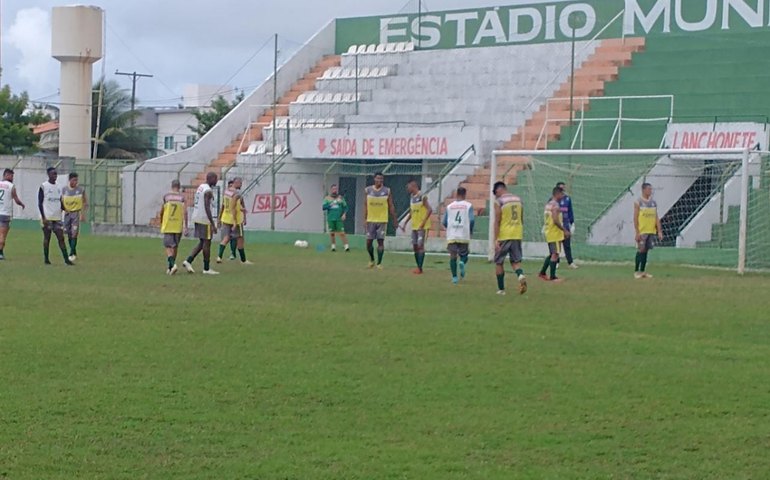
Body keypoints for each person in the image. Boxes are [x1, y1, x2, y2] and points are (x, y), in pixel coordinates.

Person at [493, 181, 527, 295]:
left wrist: (496, 239)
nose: (495, 195)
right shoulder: (519, 200)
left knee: (499, 262)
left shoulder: (499, 201)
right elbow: (522, 218)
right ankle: (520, 275)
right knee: (515, 261)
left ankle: (501, 289)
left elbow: (497, 221)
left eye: (495, 193)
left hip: (505, 234)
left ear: (498, 190)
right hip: (517, 234)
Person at [183, 172, 219, 275]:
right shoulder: (207, 191)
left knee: (202, 242)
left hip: (197, 217)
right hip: (204, 219)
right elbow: (207, 207)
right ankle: (206, 268)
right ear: (211, 178)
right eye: (215, 179)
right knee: (207, 242)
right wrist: (212, 223)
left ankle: (188, 261)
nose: (216, 181)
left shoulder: (201, 187)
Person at [38, 167, 73, 266]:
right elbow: (40, 203)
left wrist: (66, 209)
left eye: (56, 174)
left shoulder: (59, 187)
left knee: (61, 238)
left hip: (57, 218)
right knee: (47, 238)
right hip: (47, 217)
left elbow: (60, 201)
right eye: (53, 174)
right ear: (48, 175)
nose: (55, 176)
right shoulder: (43, 186)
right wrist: (43, 217)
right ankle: (46, 259)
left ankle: (66, 259)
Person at [364, 172, 399, 269]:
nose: (379, 181)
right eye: (378, 178)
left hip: (382, 220)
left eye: (381, 179)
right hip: (370, 220)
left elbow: (391, 205)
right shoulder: (368, 190)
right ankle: (371, 260)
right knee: (369, 242)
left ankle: (379, 263)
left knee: (380, 241)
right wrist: (365, 219)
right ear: (374, 179)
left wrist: (394, 219)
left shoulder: (387, 191)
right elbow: (365, 205)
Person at [443, 187, 474, 285]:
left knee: (452, 256)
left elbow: (444, 221)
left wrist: (450, 227)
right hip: (463, 233)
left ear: (457, 194)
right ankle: (462, 262)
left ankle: (454, 277)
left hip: (452, 234)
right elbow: (472, 219)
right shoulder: (468, 206)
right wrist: (470, 229)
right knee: (464, 254)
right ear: (464, 195)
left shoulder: (449, 206)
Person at [217, 177, 251, 265]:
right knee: (240, 239)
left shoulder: (226, 191)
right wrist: (236, 222)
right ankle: (243, 260)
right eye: (240, 183)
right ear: (237, 183)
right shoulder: (237, 193)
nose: (241, 185)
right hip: (234, 219)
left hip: (225, 218)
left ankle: (219, 256)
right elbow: (233, 208)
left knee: (226, 238)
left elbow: (224, 205)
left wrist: (219, 218)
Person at [539, 187, 570, 282]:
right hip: (554, 232)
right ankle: (552, 277)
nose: (563, 196)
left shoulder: (548, 204)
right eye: (561, 194)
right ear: (557, 194)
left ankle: (542, 273)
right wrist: (564, 230)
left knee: (552, 253)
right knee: (555, 254)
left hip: (549, 231)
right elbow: (556, 220)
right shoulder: (555, 206)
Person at [634, 182, 663, 279]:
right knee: (641, 250)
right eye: (648, 189)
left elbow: (656, 217)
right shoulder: (638, 202)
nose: (650, 191)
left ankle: (643, 271)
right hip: (643, 231)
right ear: (643, 190)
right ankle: (636, 271)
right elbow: (635, 217)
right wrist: (637, 232)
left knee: (646, 251)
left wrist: (659, 231)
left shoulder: (653, 203)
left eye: (651, 189)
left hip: (651, 230)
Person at [403, 179, 433, 274]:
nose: (407, 188)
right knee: (415, 246)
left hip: (422, 226)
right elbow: (412, 211)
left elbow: (429, 209)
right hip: (414, 226)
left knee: (420, 246)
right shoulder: (412, 197)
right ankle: (418, 267)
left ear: (413, 186)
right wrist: (405, 223)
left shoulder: (422, 196)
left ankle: (420, 268)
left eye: (408, 186)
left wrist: (423, 223)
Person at [159, 180, 188, 275]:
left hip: (168, 224)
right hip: (178, 225)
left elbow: (162, 211)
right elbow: (185, 212)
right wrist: (185, 226)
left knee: (168, 246)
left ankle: (173, 264)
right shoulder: (182, 198)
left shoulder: (166, 197)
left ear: (171, 186)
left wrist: (161, 221)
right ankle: (171, 267)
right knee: (175, 246)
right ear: (179, 187)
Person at [0, 168, 26, 260]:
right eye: (11, 175)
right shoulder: (11, 186)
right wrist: (22, 204)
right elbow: (16, 199)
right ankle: (0, 253)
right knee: (2, 235)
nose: (12, 177)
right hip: (5, 213)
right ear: (6, 175)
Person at [62, 172, 88, 262]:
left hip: (76, 214)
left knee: (74, 233)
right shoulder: (64, 190)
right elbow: (61, 201)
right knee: (68, 233)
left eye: (77, 180)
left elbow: (85, 202)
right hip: (67, 214)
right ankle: (74, 250)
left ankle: (71, 253)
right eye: (74, 180)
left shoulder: (80, 190)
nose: (76, 182)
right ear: (69, 180)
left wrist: (83, 214)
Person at [555, 181, 577, 269]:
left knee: (567, 245)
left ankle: (570, 262)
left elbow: (570, 211)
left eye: (563, 188)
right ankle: (556, 262)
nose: (563, 190)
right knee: (557, 245)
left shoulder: (567, 199)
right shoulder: (553, 200)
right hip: (556, 226)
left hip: (565, 225)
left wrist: (572, 223)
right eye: (561, 188)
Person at [322, 184, 350, 252]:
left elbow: (346, 207)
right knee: (332, 233)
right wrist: (331, 204)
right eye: (333, 189)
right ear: (331, 190)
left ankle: (346, 246)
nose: (334, 190)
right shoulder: (327, 198)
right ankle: (333, 246)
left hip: (338, 218)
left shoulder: (340, 198)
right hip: (331, 218)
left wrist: (344, 214)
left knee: (342, 233)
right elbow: (324, 207)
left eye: (336, 189)